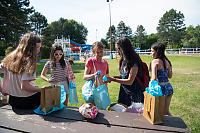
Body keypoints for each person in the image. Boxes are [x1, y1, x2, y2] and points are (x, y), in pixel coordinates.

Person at [0, 33, 42, 109]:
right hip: (28, 101)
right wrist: (41, 90)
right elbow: (25, 87)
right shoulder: (29, 61)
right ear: (30, 48)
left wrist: (2, 89)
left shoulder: (10, 58)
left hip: (13, 101)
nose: (38, 50)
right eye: (37, 47)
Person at [106, 37, 144, 107]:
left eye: (118, 49)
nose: (117, 51)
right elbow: (124, 76)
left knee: (134, 115)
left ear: (124, 48)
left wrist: (113, 79)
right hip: (124, 92)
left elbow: (130, 81)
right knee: (123, 113)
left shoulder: (134, 61)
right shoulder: (122, 60)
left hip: (134, 93)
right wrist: (114, 77)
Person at [150, 42, 173, 116]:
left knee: (156, 113)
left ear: (157, 52)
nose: (151, 53)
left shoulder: (155, 61)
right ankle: (176, 125)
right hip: (168, 88)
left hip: (160, 89)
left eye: (152, 51)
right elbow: (170, 76)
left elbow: (153, 78)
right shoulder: (167, 62)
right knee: (166, 112)